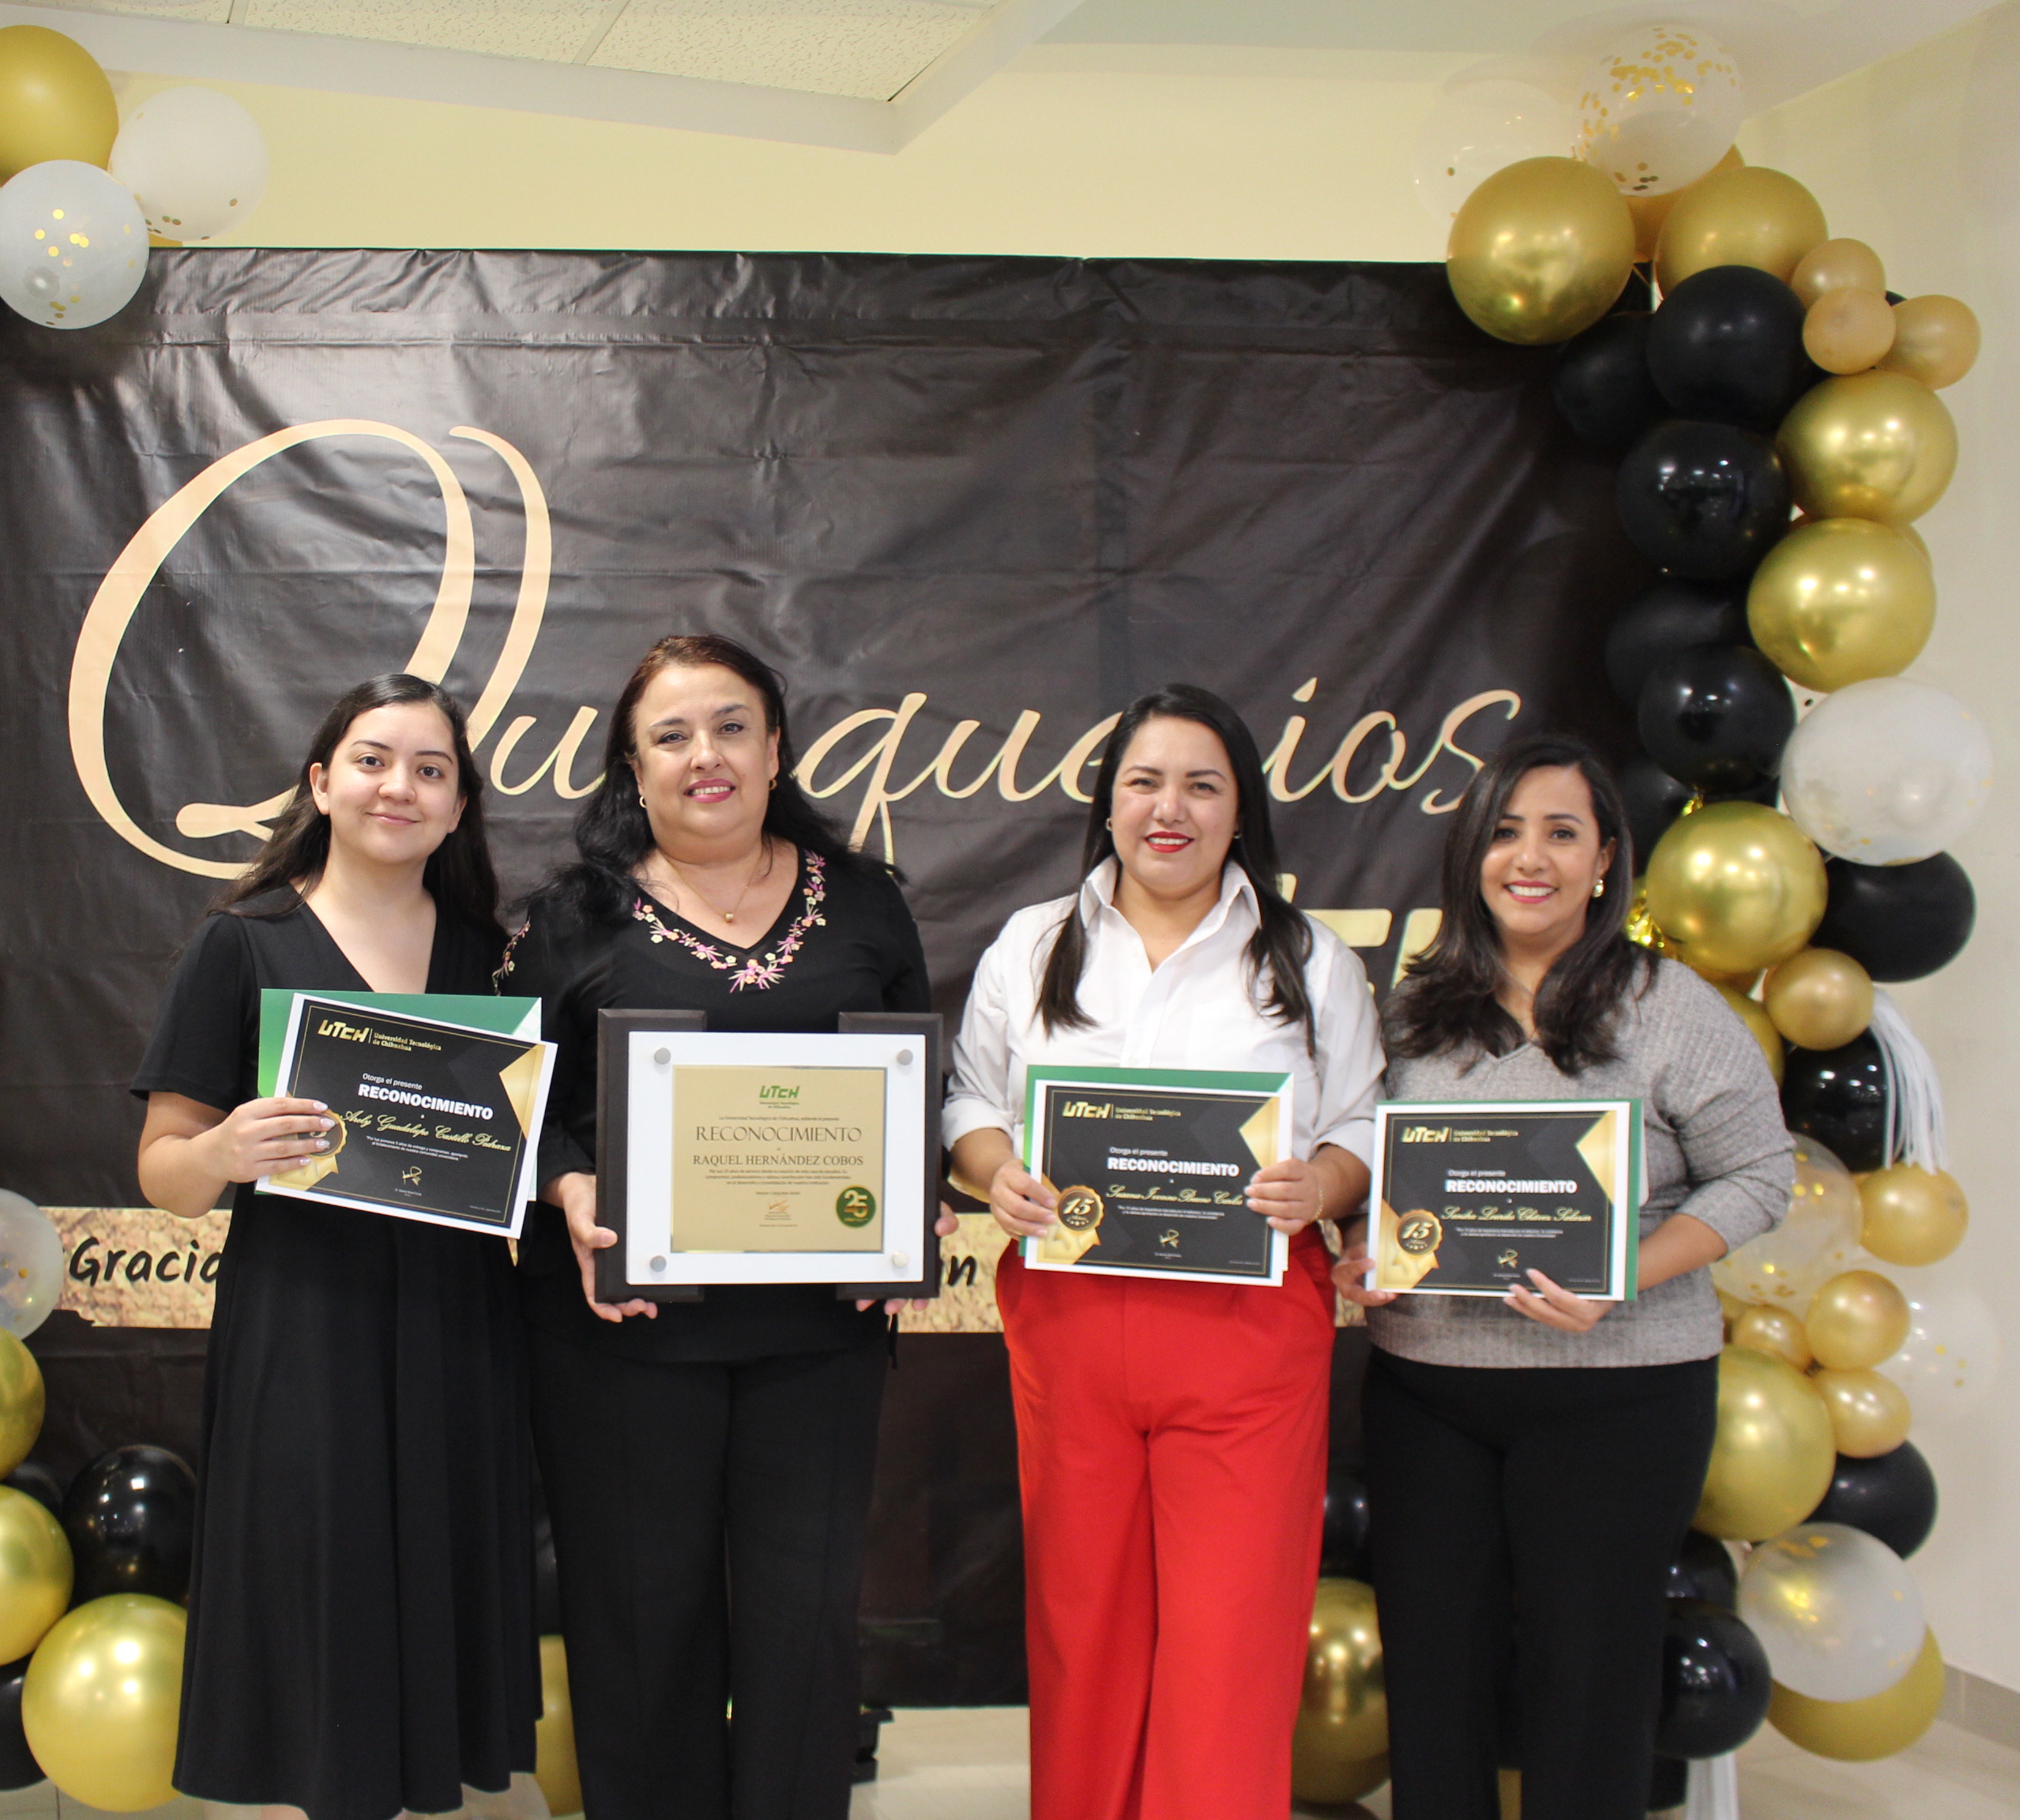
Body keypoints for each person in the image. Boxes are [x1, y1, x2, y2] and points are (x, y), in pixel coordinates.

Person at [498, 634, 931, 1820]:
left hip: (820, 1336)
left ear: (776, 749)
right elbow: (510, 1106)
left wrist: (910, 1198)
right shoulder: (568, 920)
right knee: (641, 1632)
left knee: (805, 1631)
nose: (707, 756)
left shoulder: (866, 903)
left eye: (733, 727)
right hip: (623, 1337)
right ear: (632, 769)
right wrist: (570, 1187)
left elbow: (918, 1080)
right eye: (673, 735)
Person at [942, 683, 1383, 1820]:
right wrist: (998, 1171)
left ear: (1242, 810)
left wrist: (1322, 1183)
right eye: (1144, 782)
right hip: (1072, 1331)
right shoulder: (1035, 944)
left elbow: (1360, 1126)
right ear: (1110, 803)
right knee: (1083, 1630)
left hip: (1249, 1337)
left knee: (1229, 1643)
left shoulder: (1309, 958)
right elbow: (969, 1103)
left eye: (1201, 785)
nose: (1169, 809)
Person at [1334, 735, 1790, 1820]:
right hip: (1431, 1394)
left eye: (1560, 832)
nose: (1528, 858)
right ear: (1470, 857)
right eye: (1503, 832)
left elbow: (1760, 1175)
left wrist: (1626, 1271)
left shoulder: (1670, 1007)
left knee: (1591, 1685)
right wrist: (1357, 1246)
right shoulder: (1410, 1014)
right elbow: (1365, 1172)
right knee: (1433, 1677)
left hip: (1620, 1397)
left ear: (1605, 859)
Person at [131, 675, 536, 1820]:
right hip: (304, 1327)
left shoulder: (492, 957)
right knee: (320, 1588)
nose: (398, 787)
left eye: (430, 770)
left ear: (459, 808)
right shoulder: (242, 943)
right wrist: (221, 1152)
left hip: (457, 1325)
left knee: (434, 1574)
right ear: (320, 783)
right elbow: (161, 1173)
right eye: (372, 760)